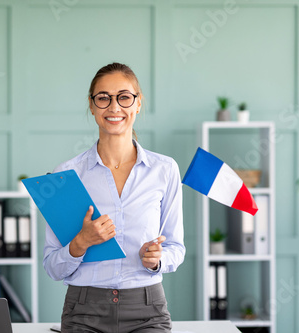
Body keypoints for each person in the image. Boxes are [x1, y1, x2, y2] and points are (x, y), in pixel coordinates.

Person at [43, 62, 185, 333]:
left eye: (124, 97)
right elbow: (52, 266)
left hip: (147, 309)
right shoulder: (67, 175)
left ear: (138, 103)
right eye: (103, 98)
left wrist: (157, 260)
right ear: (92, 105)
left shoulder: (165, 170)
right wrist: (80, 243)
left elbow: (176, 248)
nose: (114, 107)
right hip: (83, 310)